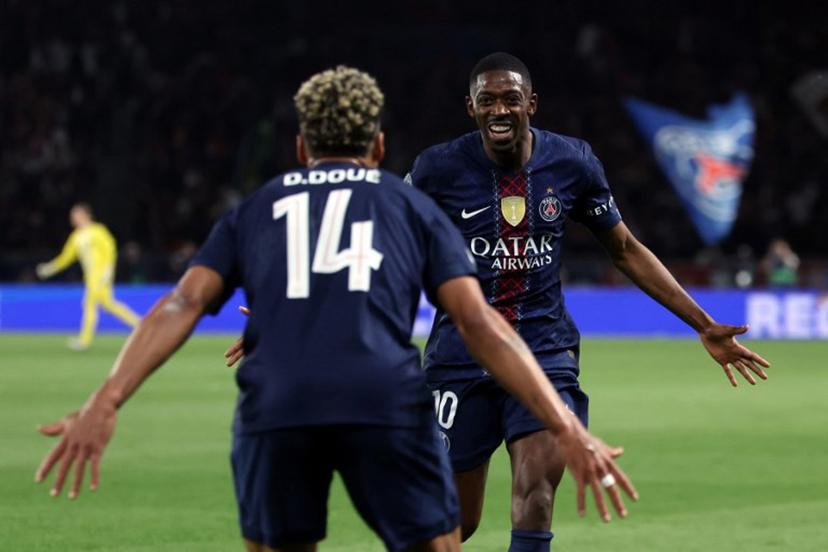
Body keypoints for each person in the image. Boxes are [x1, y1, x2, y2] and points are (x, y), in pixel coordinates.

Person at [34, 66, 636, 552]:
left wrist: (105, 400)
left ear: (299, 147)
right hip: (382, 402)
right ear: (377, 147)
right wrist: (564, 424)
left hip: (278, 404)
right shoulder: (407, 206)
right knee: (437, 541)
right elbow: (479, 322)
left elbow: (183, 302)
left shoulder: (257, 208)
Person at [401, 52, 771, 551]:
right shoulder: (436, 169)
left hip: (545, 355)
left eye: (511, 99)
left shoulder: (571, 161)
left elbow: (624, 249)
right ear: (470, 108)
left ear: (531, 103)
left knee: (535, 497)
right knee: (453, 525)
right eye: (486, 101)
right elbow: (387, 248)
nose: (500, 110)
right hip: (459, 359)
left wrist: (702, 323)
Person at [36, 203, 141, 350]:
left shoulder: (98, 231)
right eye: (72, 216)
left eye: (76, 215)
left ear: (86, 215)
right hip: (91, 276)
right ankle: (139, 324)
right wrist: (50, 268)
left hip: (101, 275)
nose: (73, 218)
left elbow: (110, 250)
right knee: (108, 304)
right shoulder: (76, 237)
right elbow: (66, 258)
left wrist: (108, 270)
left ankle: (84, 340)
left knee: (90, 304)